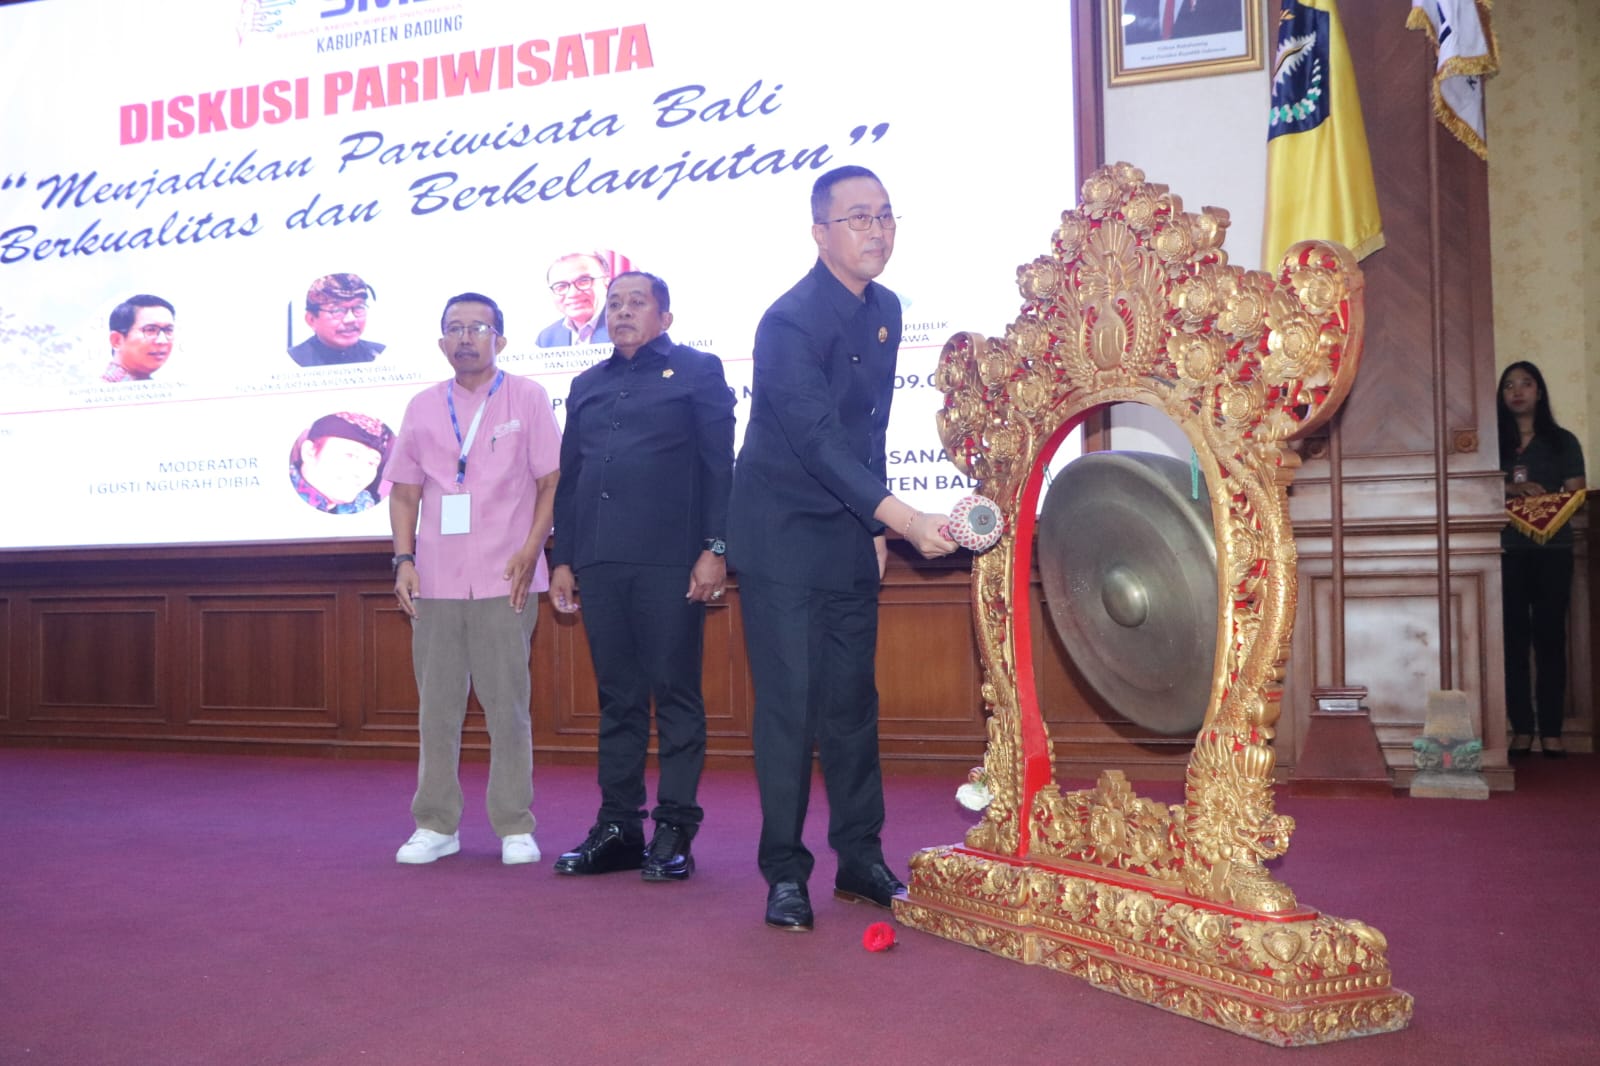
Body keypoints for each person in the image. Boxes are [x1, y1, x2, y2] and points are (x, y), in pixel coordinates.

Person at [728, 165, 958, 932]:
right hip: (782, 536)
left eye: (886, 215)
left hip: (844, 531)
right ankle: (785, 873)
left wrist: (870, 526)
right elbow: (819, 441)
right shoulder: (787, 322)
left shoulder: (885, 308)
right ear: (820, 233)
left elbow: (869, 432)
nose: (877, 230)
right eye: (859, 217)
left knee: (854, 704)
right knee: (791, 708)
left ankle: (860, 859)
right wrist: (900, 518)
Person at [548, 271, 735, 883]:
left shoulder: (697, 371)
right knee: (618, 699)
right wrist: (563, 559)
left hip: (670, 561)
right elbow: (572, 478)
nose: (622, 312)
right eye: (614, 304)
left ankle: (675, 828)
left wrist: (715, 548)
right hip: (600, 561)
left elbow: (719, 466)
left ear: (665, 317)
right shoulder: (586, 384)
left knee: (675, 694)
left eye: (637, 303)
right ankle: (619, 828)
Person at [385, 292, 562, 865]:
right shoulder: (421, 406)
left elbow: (551, 483)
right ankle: (436, 824)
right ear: (442, 342)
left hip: (506, 577)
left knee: (507, 707)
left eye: (478, 328)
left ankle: (514, 825)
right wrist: (403, 560)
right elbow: (405, 493)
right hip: (435, 580)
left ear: (499, 340)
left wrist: (531, 550)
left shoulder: (527, 397)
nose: (465, 338)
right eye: (455, 328)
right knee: (437, 709)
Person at [1497, 361, 1586, 759]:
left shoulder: (1562, 441)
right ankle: (1520, 729)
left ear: (1539, 391)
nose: (1517, 391)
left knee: (1550, 638)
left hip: (1553, 550)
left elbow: (1576, 493)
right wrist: (1510, 489)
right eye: (1509, 385)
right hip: (1506, 551)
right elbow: (1473, 488)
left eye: (1526, 384)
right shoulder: (1492, 442)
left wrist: (1541, 500)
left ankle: (1551, 731)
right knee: (1512, 640)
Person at [289, 411, 394, 514]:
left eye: (371, 463)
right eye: (350, 455)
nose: (361, 474)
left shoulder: (364, 503)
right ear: (309, 452)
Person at [289, 273, 386, 366]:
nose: (351, 319)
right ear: (311, 320)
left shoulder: (380, 355)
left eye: (358, 308)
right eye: (337, 311)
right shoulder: (293, 361)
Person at [536, 252, 612, 347]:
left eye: (584, 281)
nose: (573, 294)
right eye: (561, 286)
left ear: (607, 283)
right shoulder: (547, 339)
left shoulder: (628, 328)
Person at [103, 295, 175, 381]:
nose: (162, 340)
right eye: (151, 330)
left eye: (168, 330)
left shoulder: (157, 387)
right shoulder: (101, 388)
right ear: (116, 341)